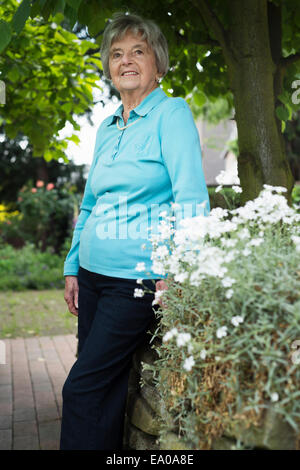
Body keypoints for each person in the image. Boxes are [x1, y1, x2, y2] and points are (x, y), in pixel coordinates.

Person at [59, 12, 210, 450]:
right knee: (102, 389)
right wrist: (72, 266)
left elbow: (191, 199)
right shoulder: (107, 128)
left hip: (137, 281)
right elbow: (90, 205)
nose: (125, 61)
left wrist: (182, 268)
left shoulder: (171, 114)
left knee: (81, 388)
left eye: (137, 52)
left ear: (157, 64)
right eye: (117, 54)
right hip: (91, 274)